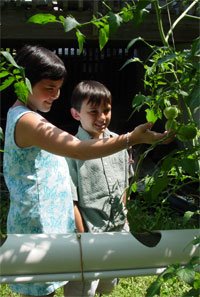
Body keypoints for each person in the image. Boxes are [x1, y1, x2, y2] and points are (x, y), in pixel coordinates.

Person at [3, 44, 168, 297]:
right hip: (37, 225)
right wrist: (130, 139)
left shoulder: (29, 115)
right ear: (23, 81)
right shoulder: (28, 120)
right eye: (49, 88)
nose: (55, 95)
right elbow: (79, 149)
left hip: (46, 221)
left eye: (58, 89)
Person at [65, 80, 133, 297]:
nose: (102, 117)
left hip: (117, 228)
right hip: (89, 232)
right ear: (76, 114)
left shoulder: (120, 143)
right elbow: (71, 199)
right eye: (93, 111)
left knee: (109, 280)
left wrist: (124, 215)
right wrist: (81, 237)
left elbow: (125, 184)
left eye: (107, 110)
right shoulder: (70, 150)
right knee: (84, 286)